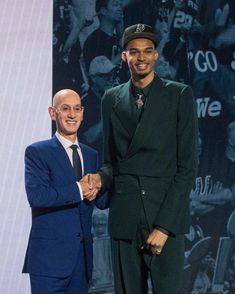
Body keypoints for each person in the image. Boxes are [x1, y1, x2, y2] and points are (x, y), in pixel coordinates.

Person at [84, 23, 198, 293]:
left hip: (164, 217)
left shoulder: (179, 95)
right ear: (124, 56)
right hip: (126, 217)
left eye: (148, 51)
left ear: (156, 55)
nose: (142, 57)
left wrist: (164, 227)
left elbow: (187, 168)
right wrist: (100, 178)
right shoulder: (111, 99)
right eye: (134, 52)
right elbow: (112, 162)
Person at [22, 89, 108, 294]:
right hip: (49, 263)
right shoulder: (37, 152)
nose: (72, 114)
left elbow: (102, 201)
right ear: (53, 113)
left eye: (77, 109)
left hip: (81, 262)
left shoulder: (91, 154)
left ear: (83, 113)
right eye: (65, 108)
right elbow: (38, 196)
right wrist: (80, 188)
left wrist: (104, 182)